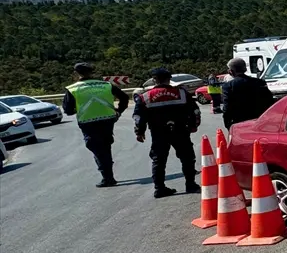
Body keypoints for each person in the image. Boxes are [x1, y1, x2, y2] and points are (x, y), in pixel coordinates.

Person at [132, 66, 201, 198]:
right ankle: (190, 184)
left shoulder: (145, 97)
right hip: (180, 130)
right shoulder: (181, 93)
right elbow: (195, 111)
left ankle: (159, 188)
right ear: (169, 79)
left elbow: (138, 117)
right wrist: (194, 125)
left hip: (159, 133)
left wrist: (139, 132)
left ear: (154, 80)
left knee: (159, 160)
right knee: (187, 158)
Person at [63, 62, 130, 187]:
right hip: (108, 120)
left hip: (88, 122)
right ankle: (108, 174)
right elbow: (125, 98)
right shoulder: (106, 85)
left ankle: (108, 178)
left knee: (98, 149)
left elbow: (67, 110)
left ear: (76, 73)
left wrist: (78, 109)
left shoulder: (73, 89)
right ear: (92, 72)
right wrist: (118, 111)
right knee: (105, 146)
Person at [221, 58, 275, 129]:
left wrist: (227, 123)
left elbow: (227, 107)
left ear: (231, 71)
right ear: (245, 69)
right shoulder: (259, 82)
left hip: (239, 122)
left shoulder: (228, 86)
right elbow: (269, 100)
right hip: (259, 119)